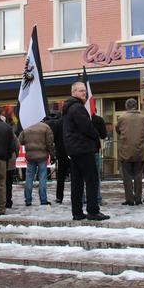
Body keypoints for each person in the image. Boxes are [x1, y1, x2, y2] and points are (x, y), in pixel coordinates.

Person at [63, 82, 109, 221]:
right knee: (91, 180)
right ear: (73, 92)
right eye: (81, 91)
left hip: (74, 149)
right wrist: (95, 135)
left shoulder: (68, 108)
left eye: (84, 90)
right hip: (83, 149)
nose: (84, 93)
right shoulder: (77, 108)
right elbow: (87, 127)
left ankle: (77, 212)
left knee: (77, 182)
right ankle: (93, 211)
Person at [116, 98, 144, 206]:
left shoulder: (121, 118)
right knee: (139, 176)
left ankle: (129, 199)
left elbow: (118, 130)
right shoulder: (143, 118)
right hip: (140, 151)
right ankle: (138, 198)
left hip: (125, 151)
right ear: (136, 106)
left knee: (127, 177)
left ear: (126, 106)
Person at [19, 118, 55, 206]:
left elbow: (20, 141)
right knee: (42, 178)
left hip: (30, 156)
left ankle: (28, 200)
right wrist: (52, 154)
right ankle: (43, 200)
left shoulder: (26, 127)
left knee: (29, 178)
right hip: (42, 156)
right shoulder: (46, 127)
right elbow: (50, 143)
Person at [45, 111, 70, 204]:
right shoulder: (73, 120)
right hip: (73, 151)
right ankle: (78, 196)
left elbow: (53, 138)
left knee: (61, 177)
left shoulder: (58, 123)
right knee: (76, 177)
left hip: (61, 152)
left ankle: (59, 197)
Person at [91, 112, 107, 204]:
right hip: (94, 150)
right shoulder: (98, 120)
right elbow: (103, 135)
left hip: (81, 151)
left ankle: (83, 198)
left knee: (82, 177)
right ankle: (97, 197)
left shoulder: (78, 118)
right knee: (96, 176)